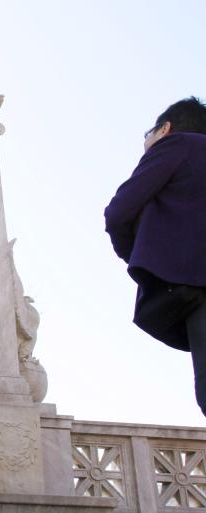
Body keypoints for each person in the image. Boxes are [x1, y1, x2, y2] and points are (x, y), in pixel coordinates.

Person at [104, 97, 206, 417]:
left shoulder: (176, 145)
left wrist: (140, 256)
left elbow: (118, 213)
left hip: (196, 285)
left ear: (164, 128)